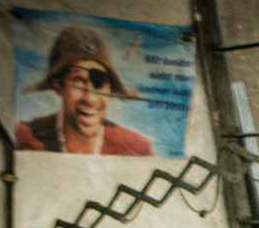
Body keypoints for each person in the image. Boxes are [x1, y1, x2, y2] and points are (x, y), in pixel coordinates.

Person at [15, 25, 155, 155]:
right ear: (58, 86)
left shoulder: (135, 148)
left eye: (99, 83)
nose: (90, 98)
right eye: (77, 81)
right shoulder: (23, 137)